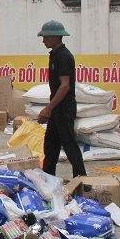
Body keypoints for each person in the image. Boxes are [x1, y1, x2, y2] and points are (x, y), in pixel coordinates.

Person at [36, 20, 87, 178]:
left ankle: (81, 179)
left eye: (46, 37)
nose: (43, 41)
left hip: (64, 108)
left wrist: (48, 108)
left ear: (56, 37)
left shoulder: (63, 57)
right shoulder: (55, 55)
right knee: (51, 145)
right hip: (57, 108)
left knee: (69, 143)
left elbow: (65, 86)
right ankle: (48, 178)